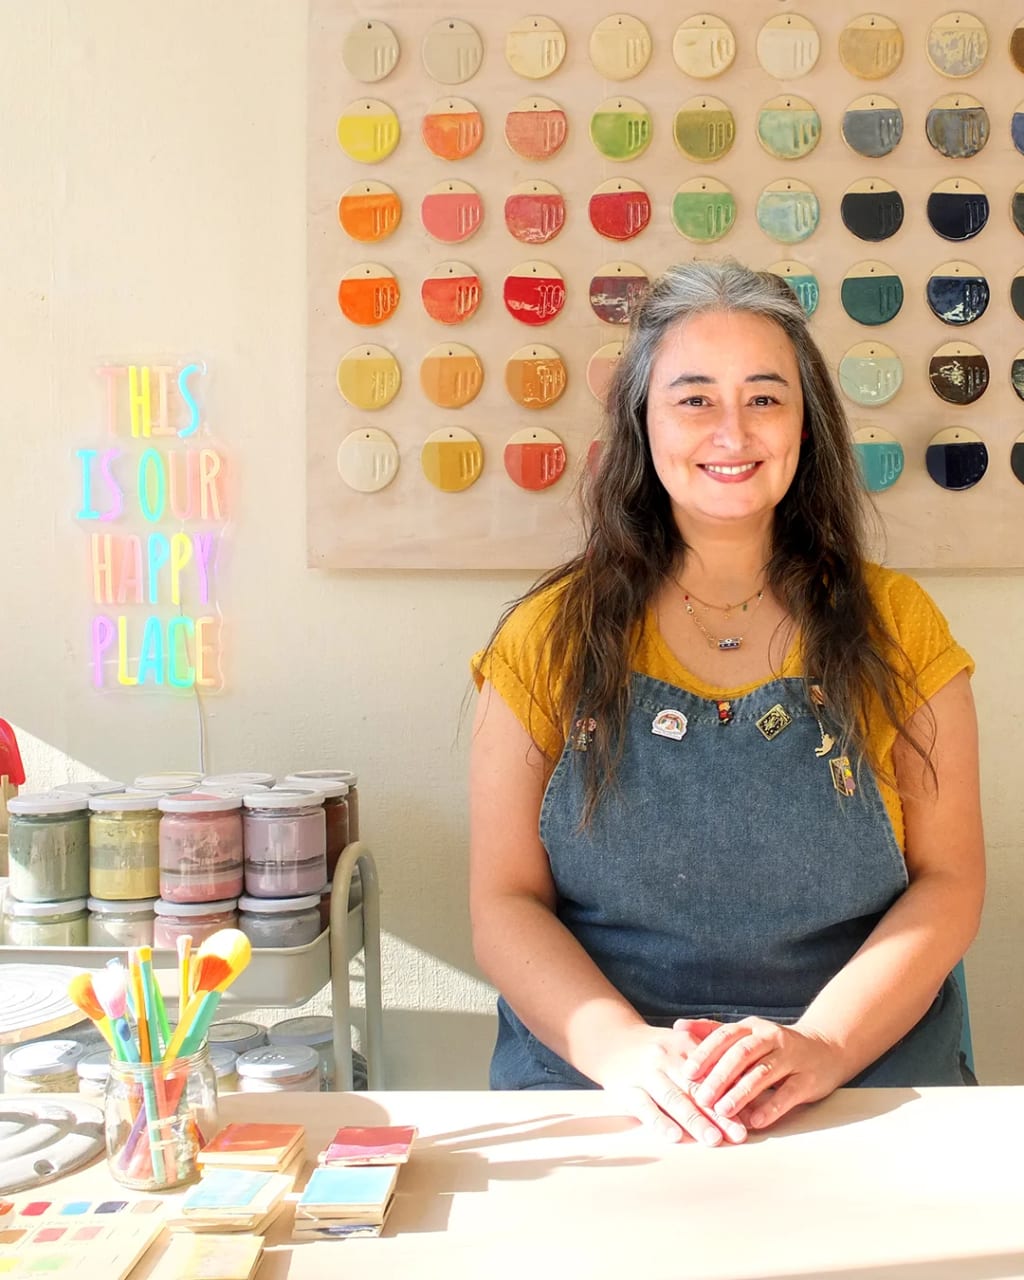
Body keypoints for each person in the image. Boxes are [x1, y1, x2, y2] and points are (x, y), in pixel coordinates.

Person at [468, 259, 985, 1147]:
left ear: (807, 423)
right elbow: (504, 901)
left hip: (859, 1078)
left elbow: (950, 880)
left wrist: (819, 1043)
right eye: (695, 398)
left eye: (766, 397)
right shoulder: (550, 635)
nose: (732, 430)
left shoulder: (898, 624)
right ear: (643, 420)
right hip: (609, 1089)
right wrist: (626, 1050)